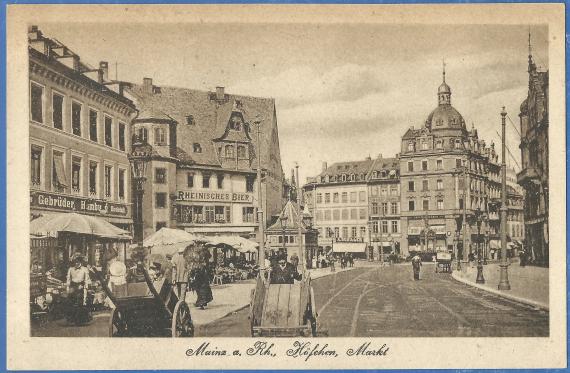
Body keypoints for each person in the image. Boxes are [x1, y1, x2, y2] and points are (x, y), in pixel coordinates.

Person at [66, 254, 92, 325]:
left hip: (81, 286)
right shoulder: (70, 269)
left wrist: (86, 288)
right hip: (73, 286)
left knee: (80, 300)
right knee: (70, 300)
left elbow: (86, 280)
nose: (76, 263)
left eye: (78, 262)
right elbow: (68, 280)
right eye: (75, 262)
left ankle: (81, 320)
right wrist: (68, 289)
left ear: (81, 262)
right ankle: (72, 319)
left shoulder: (84, 269)